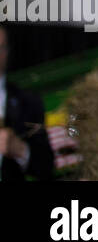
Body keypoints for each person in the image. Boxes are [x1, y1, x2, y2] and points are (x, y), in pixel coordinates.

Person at [0, 26, 53, 181]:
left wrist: (20, 149)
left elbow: (46, 166)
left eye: (0, 47)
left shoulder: (28, 102)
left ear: (7, 51)